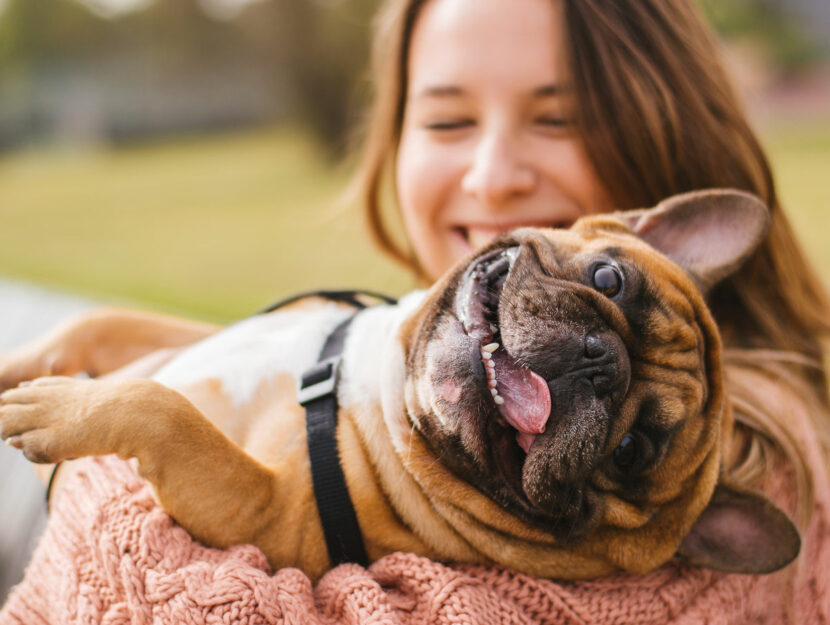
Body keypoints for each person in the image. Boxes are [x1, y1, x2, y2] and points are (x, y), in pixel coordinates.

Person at [1, 0, 828, 622]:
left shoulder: (766, 456)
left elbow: (136, 595)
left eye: (557, 117)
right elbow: (266, 370)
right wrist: (113, 340)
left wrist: (102, 454)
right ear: (389, 134)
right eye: (447, 118)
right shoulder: (426, 355)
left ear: (665, 133)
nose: (492, 175)